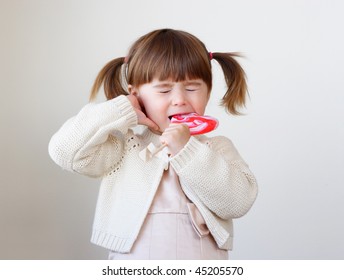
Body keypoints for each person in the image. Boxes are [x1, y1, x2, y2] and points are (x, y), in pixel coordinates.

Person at [48, 28, 258, 260]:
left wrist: (187, 149)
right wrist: (121, 109)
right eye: (164, 89)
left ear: (207, 94)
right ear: (136, 95)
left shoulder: (216, 148)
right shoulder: (124, 147)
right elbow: (64, 151)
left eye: (191, 88)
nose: (179, 100)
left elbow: (238, 202)